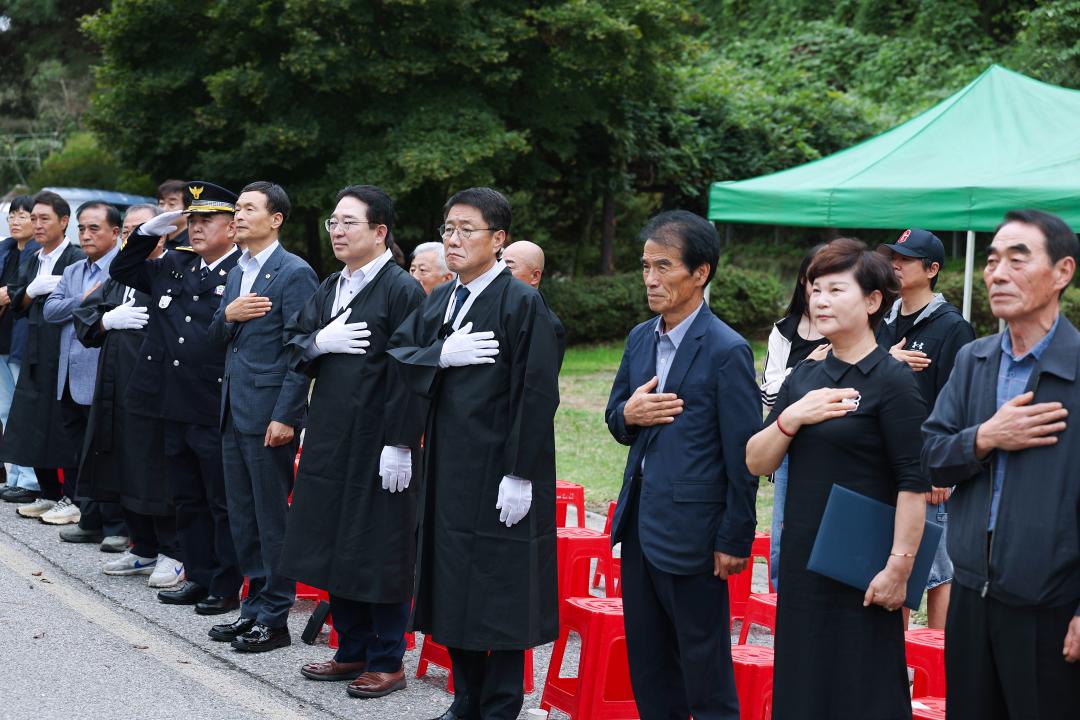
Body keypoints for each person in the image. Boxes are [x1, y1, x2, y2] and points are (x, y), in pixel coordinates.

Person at [388, 187, 560, 720]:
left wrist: (521, 473)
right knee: (450, 577)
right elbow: (400, 352)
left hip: (500, 463)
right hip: (447, 462)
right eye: (448, 229)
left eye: (467, 230)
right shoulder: (443, 297)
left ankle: (502, 703)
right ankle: (466, 697)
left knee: (500, 583)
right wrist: (440, 354)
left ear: (498, 239)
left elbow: (536, 393)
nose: (453, 240)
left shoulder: (521, 302)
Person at [745, 238, 928, 720]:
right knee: (804, 688)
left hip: (863, 570)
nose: (820, 300)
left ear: (872, 301)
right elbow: (755, 461)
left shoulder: (892, 380)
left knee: (861, 691)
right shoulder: (804, 377)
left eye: (835, 289)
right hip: (805, 563)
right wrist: (792, 417)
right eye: (814, 289)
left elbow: (914, 482)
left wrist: (899, 568)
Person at [922, 210, 1080, 719]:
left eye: (1018, 258)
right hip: (971, 594)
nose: (997, 273)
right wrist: (985, 438)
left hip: (1052, 604)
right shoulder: (975, 360)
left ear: (1062, 273)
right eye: (991, 261)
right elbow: (931, 457)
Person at [605, 210, 760, 719]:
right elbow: (616, 417)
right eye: (645, 266)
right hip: (640, 527)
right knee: (648, 667)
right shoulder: (639, 338)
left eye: (663, 266)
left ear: (700, 272)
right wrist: (629, 414)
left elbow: (744, 454)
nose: (650, 278)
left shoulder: (726, 349)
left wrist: (735, 537)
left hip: (695, 535)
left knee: (704, 669)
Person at [280, 185, 426, 698]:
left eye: (349, 223)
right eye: (333, 223)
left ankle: (388, 657)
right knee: (334, 542)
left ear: (380, 231)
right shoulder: (331, 285)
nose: (337, 232)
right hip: (330, 436)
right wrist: (320, 341)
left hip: (379, 441)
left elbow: (413, 372)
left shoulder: (401, 289)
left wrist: (401, 442)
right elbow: (294, 342)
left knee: (378, 548)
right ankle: (351, 648)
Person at [111, 180, 244, 614]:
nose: (197, 227)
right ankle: (197, 573)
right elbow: (123, 272)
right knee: (186, 496)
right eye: (194, 219)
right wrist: (148, 234)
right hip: (172, 400)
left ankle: (225, 584)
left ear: (233, 226)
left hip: (213, 401)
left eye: (209, 220)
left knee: (219, 500)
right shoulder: (176, 263)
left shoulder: (242, 270)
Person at [206, 181, 317, 652]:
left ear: (276, 219)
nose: (239, 215)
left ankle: (275, 616)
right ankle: (252, 606)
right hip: (234, 408)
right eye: (237, 208)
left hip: (270, 413)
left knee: (272, 517)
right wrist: (229, 314)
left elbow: (301, 350)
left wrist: (288, 414)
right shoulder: (238, 271)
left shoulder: (294, 273)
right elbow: (217, 335)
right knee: (243, 515)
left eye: (249, 208)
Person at [73, 203, 184, 588]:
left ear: (164, 231)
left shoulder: (175, 269)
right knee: (121, 464)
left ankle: (173, 551)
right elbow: (86, 316)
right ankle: (143, 546)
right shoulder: (120, 277)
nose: (135, 238)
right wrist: (106, 319)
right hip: (115, 387)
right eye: (130, 232)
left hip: (156, 388)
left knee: (155, 470)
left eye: (145, 229)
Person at [876, 228, 975, 629]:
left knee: (937, 570)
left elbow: (961, 404)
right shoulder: (881, 322)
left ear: (932, 269)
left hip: (929, 470)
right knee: (893, 561)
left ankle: (940, 664)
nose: (895, 265)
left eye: (906, 259)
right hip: (884, 463)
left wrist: (944, 469)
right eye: (892, 257)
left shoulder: (952, 328)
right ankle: (893, 668)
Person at [40, 202, 128, 547]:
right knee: (78, 452)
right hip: (69, 374)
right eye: (82, 228)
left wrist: (80, 304)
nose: (86, 235)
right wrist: (84, 299)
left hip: (102, 375)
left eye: (95, 228)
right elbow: (50, 309)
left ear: (116, 233)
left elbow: (97, 312)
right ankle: (88, 517)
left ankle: (115, 523)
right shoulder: (76, 269)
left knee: (106, 453)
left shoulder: (122, 271)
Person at [1, 191, 85, 520]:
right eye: (33, 218)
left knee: (64, 424)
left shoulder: (76, 257)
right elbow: (18, 302)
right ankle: (47, 491)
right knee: (32, 420)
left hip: (65, 349)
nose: (37, 225)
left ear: (64, 222)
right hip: (34, 346)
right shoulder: (34, 258)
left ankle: (72, 497)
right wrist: (30, 291)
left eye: (43, 218)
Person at [758, 244, 828, 591]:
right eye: (817, 279)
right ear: (803, 280)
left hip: (832, 443)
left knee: (827, 531)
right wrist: (807, 367)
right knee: (784, 533)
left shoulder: (846, 330)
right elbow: (769, 394)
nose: (822, 290)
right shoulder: (784, 330)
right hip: (787, 444)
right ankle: (780, 603)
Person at [0, 195, 40, 503]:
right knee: (4, 412)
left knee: (23, 412)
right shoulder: (4, 251)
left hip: (22, 343)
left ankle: (30, 480)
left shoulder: (40, 255)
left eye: (22, 216)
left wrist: (9, 294)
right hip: (1, 342)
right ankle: (13, 476)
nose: (15, 221)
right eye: (12, 215)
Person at [503, 240, 565, 369]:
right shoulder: (495, 310)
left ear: (535, 276)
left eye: (508, 267)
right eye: (498, 266)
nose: (500, 273)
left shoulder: (549, 325)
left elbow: (538, 383)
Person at [157, 179, 189, 251]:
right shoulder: (156, 239)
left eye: (172, 204)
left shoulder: (194, 242)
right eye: (161, 203)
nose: (164, 210)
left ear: (187, 210)